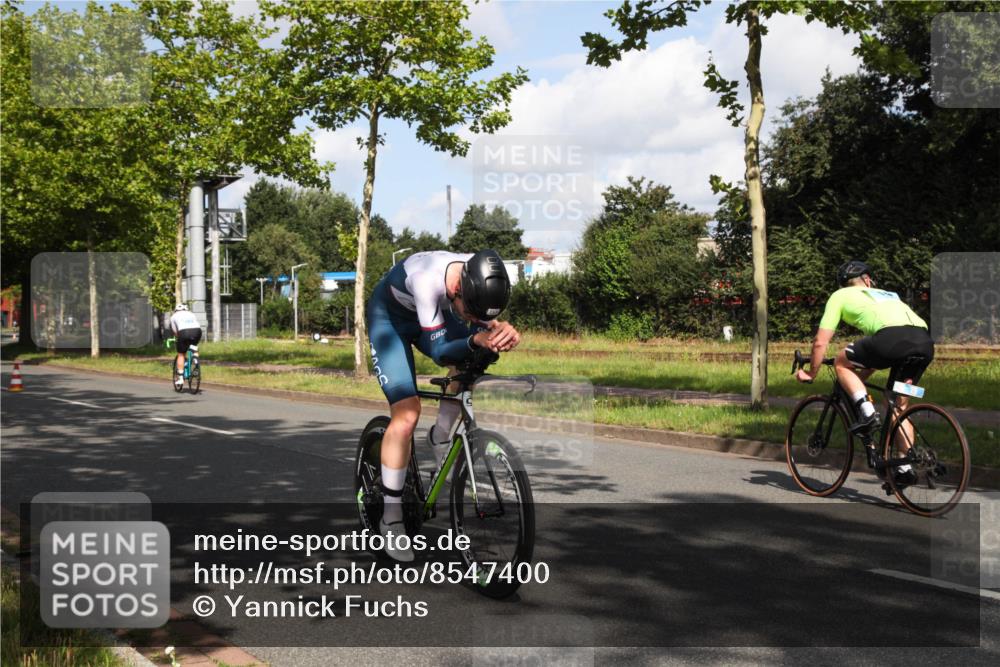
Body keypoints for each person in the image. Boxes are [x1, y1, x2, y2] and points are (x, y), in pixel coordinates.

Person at [367, 249, 521, 561]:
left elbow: (483, 323)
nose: (473, 320)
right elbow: (440, 353)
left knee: (471, 363)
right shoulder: (427, 280)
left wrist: (499, 331)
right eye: (470, 312)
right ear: (456, 289)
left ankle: (440, 436)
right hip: (390, 321)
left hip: (432, 314)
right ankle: (391, 519)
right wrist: (474, 339)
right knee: (407, 414)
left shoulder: (479, 272)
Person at [796, 260, 934, 487]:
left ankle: (868, 414)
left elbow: (820, 342)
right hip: (924, 343)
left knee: (841, 362)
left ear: (844, 284)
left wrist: (812, 373)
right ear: (868, 280)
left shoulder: (839, 296)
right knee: (898, 406)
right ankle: (905, 466)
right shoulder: (889, 295)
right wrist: (859, 380)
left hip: (890, 340)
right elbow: (878, 356)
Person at [169, 304, 202, 389]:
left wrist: (178, 337)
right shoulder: (191, 314)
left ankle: (180, 378)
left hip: (184, 332)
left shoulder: (173, 316)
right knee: (193, 346)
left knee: (181, 354)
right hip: (197, 331)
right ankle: (195, 360)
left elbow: (175, 331)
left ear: (176, 310)